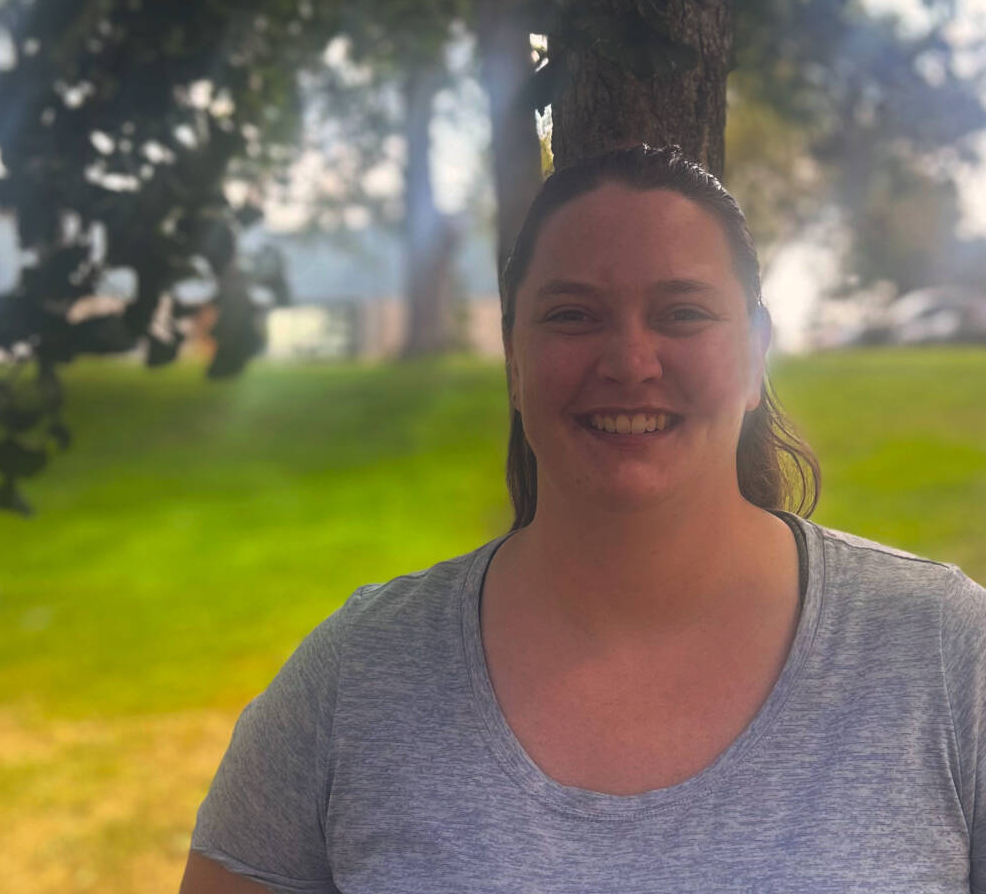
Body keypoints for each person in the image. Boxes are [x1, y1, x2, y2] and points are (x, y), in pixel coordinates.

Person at [181, 145, 986, 893]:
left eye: (682, 313)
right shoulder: (357, 680)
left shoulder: (945, 656)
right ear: (515, 361)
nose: (630, 361)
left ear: (755, 354)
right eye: (572, 315)